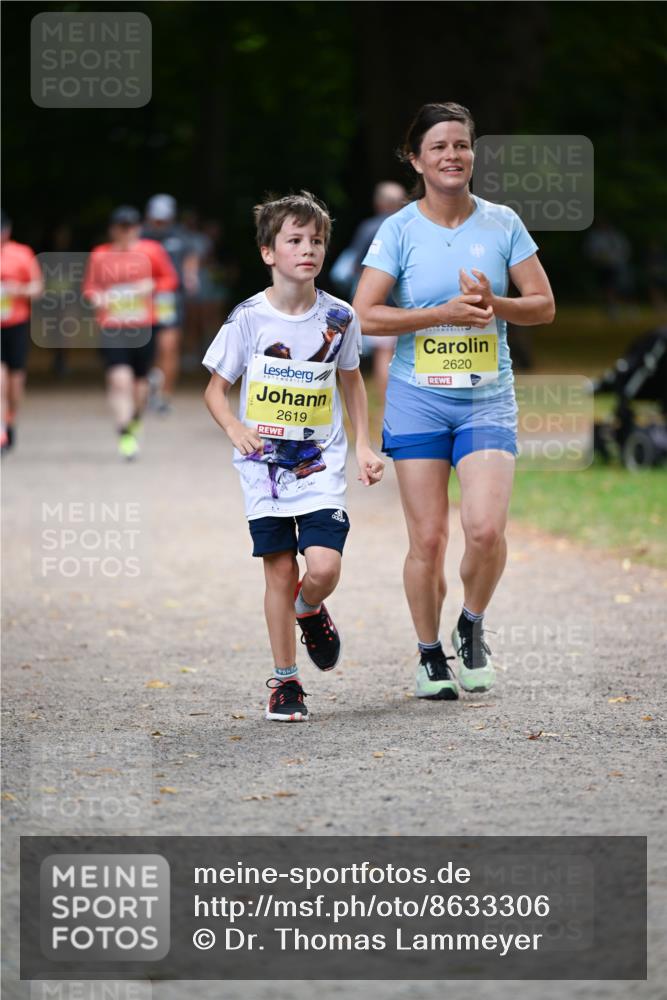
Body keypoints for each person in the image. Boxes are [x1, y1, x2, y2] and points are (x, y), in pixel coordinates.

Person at [353, 102, 555, 700]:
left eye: (462, 145)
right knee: (430, 540)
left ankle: (470, 623)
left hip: (487, 398)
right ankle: (427, 654)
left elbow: (542, 305)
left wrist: (499, 305)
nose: (453, 156)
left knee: (486, 530)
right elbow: (363, 314)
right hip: (418, 399)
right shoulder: (399, 229)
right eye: (438, 146)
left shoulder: (502, 223)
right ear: (416, 159)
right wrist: (437, 314)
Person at [203, 191, 384, 722]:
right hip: (264, 471)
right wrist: (235, 426)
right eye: (295, 240)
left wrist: (365, 444)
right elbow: (215, 391)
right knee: (278, 571)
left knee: (322, 567)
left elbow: (352, 383)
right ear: (268, 252)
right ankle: (285, 682)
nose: (308, 249)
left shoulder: (340, 316)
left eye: (317, 241)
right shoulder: (247, 319)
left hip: (319, 462)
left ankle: (311, 607)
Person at [83, 206, 178, 459]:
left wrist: (151, 285)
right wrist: (97, 298)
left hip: (142, 325)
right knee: (119, 380)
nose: (126, 232)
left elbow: (170, 279)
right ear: (113, 229)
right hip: (113, 326)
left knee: (139, 386)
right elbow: (90, 287)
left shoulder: (152, 251)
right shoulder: (100, 254)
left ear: (137, 228)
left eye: (130, 227)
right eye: (121, 227)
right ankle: (125, 431)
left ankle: (135, 419)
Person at [331, 181, 407, 398]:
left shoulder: (368, 228)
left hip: (378, 303)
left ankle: (388, 400)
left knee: (384, 354)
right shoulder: (410, 229)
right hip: (407, 303)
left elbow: (354, 264)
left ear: (378, 203)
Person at [142, 194, 200, 412]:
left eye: (163, 219)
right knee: (144, 347)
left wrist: (191, 276)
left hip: (168, 298)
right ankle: (144, 390)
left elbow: (190, 259)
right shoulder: (138, 235)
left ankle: (164, 396)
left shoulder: (180, 237)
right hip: (140, 299)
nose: (159, 224)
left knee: (168, 346)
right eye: (156, 219)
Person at [0, 210, 44, 454]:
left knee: (15, 384)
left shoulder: (22, 254)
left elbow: (37, 288)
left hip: (15, 324)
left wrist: (19, 290)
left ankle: (10, 420)